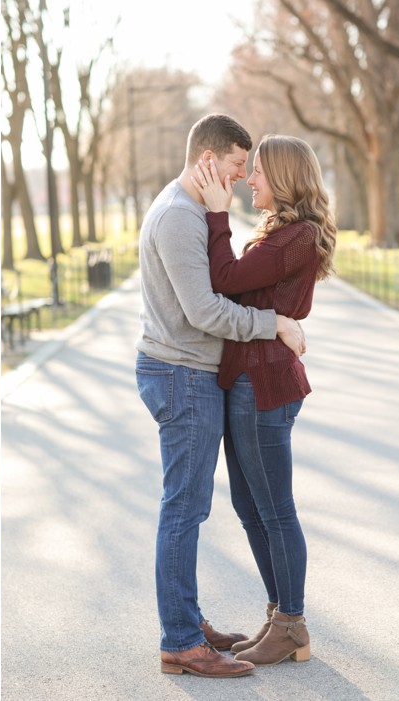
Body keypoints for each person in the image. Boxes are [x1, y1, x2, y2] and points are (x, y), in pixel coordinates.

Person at [136, 113, 306, 679]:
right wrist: (274, 323)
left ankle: (187, 621)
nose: (239, 179)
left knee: (190, 508)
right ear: (208, 160)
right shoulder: (182, 218)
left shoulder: (182, 208)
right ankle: (182, 640)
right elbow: (205, 310)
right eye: (236, 167)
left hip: (188, 372)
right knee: (184, 510)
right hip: (182, 375)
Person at [192, 134, 336, 666]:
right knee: (250, 506)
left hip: (264, 384)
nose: (248, 179)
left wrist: (215, 214)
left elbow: (224, 280)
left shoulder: (296, 237)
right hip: (251, 380)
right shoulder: (280, 232)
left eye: (257, 172)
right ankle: (280, 616)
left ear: (283, 177)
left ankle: (292, 624)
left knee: (275, 510)